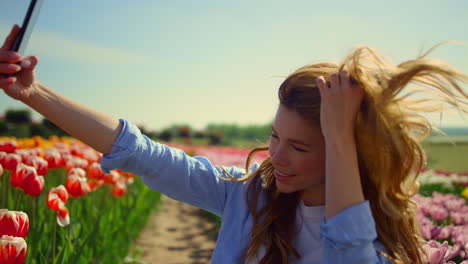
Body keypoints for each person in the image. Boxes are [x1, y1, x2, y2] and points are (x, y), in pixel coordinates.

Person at [1, 25, 468, 264]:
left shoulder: (373, 245)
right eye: (274, 137)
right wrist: (34, 94)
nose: (275, 157)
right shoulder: (249, 197)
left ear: (347, 151)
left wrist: (342, 134)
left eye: (300, 148)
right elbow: (141, 152)